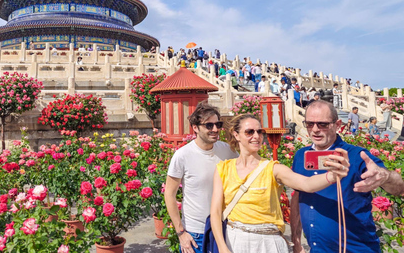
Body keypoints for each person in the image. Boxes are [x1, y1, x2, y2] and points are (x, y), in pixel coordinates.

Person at [210, 114, 349, 253]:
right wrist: (222, 248)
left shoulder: (273, 168)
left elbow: (306, 184)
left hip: (268, 241)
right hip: (235, 239)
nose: (256, 136)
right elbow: (215, 212)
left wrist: (331, 176)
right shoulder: (224, 168)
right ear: (236, 135)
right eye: (249, 132)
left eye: (259, 131)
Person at [290, 100, 398, 252]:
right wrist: (296, 239)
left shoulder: (357, 155)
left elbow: (399, 188)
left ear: (337, 124)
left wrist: (385, 176)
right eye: (309, 124)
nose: (315, 130)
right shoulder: (301, 156)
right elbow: (297, 196)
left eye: (322, 124)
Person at [164, 102, 238, 253]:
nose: (215, 129)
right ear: (195, 128)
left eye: (218, 124)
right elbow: (169, 194)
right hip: (195, 234)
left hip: (225, 228)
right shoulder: (183, 155)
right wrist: (181, 233)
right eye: (209, 126)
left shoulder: (227, 151)